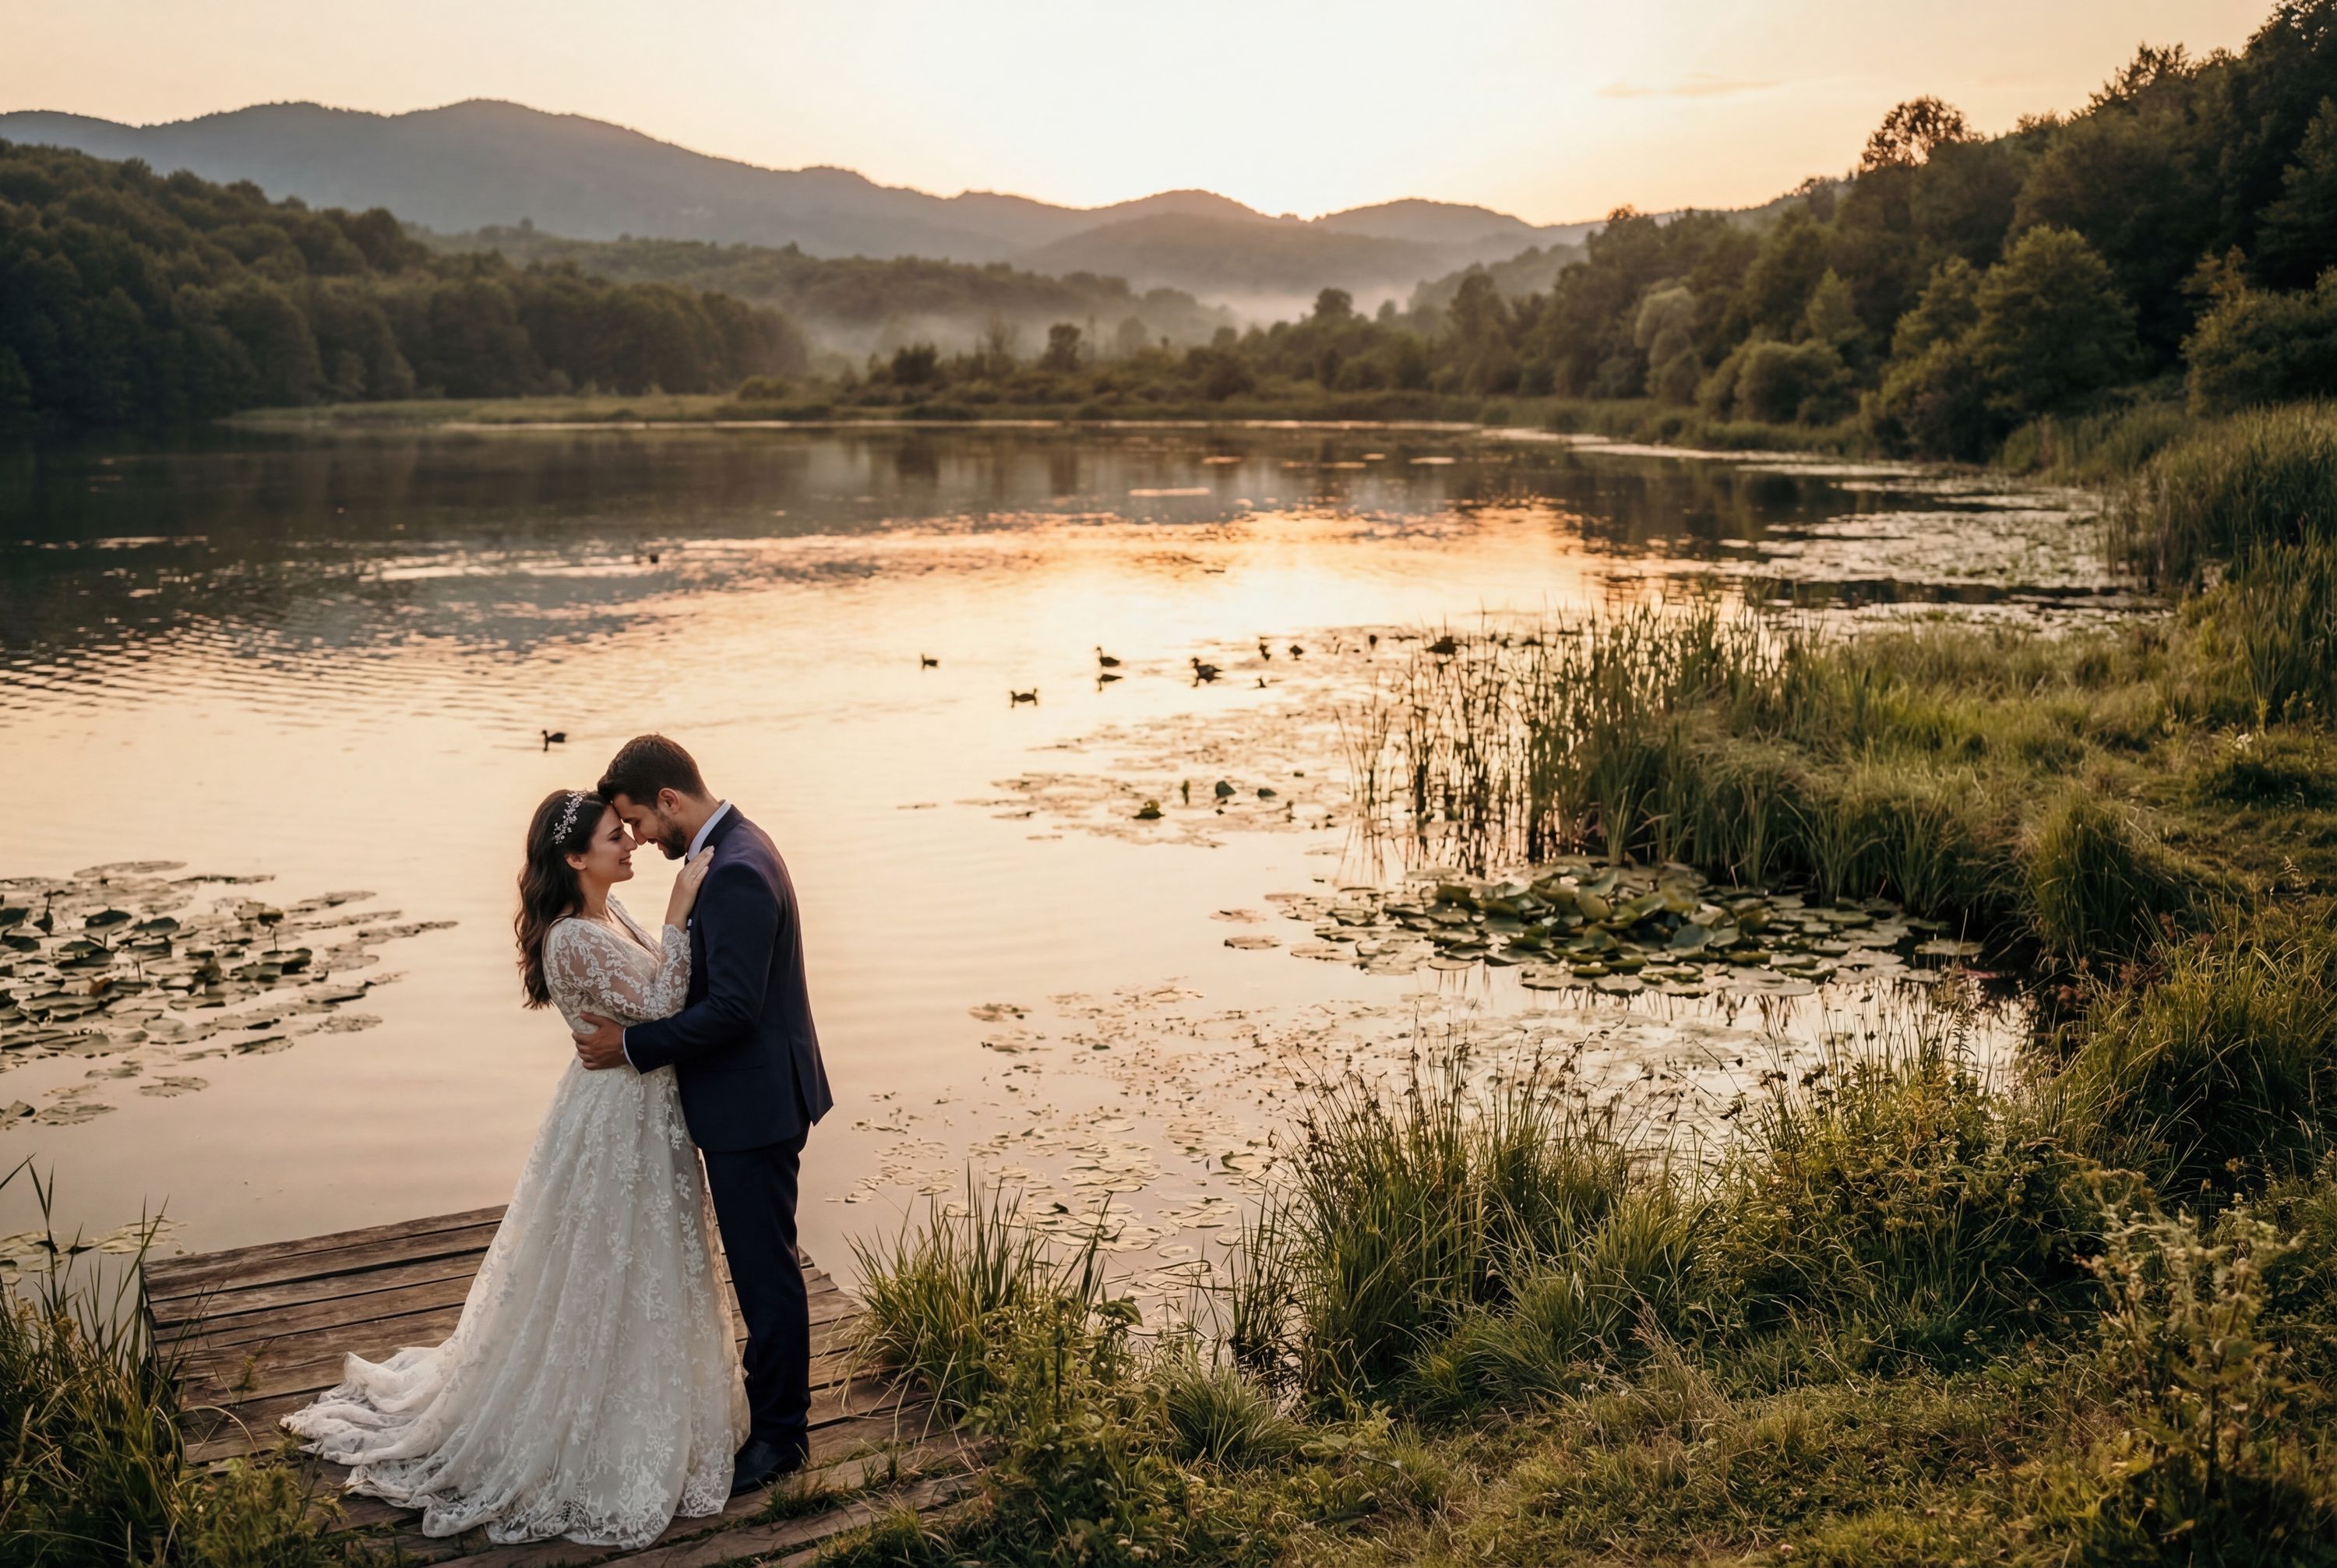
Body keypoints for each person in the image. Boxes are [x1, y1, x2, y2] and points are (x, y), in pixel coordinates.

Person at [283, 790, 741, 1549]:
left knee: (642, 1265)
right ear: (574, 858)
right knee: (606, 1264)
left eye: (627, 830)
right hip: (616, 1123)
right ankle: (590, 1423)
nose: (630, 842)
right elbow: (663, 999)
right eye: (612, 836)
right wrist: (681, 908)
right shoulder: (571, 939)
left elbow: (657, 994)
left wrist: (665, 929)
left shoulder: (605, 919)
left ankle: (650, 1402)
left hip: (639, 1113)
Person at [572, 733, 834, 1495]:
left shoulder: (739, 871)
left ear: (669, 801)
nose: (641, 841)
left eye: (640, 824)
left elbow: (732, 1011)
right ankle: (776, 1423)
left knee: (766, 1276)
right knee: (765, 1266)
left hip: (756, 1104)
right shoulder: (728, 851)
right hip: (753, 1096)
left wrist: (633, 1044)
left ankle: (782, 1439)